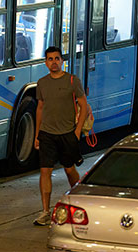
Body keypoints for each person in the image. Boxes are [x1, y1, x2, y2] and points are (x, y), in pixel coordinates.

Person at [32, 46, 88, 226]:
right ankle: (45, 211)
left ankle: (80, 202)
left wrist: (77, 130)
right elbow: (40, 108)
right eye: (50, 59)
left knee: (69, 169)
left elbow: (83, 105)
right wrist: (37, 134)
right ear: (45, 62)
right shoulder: (42, 83)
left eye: (57, 58)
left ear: (62, 61)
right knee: (44, 171)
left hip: (67, 133)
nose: (53, 62)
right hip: (47, 134)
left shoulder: (72, 80)